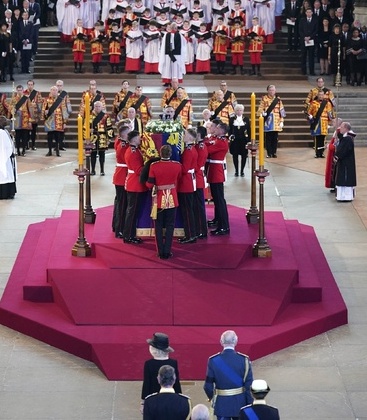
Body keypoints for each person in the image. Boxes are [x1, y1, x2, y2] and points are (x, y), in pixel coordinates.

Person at [204, 330, 253, 419]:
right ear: (236, 341)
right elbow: (249, 385)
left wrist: (213, 398)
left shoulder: (213, 360)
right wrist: (249, 403)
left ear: (221, 342)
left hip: (221, 405)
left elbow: (207, 386)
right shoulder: (244, 360)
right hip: (240, 404)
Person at [146, 145, 182, 259]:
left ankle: (160, 252)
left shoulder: (154, 166)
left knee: (159, 226)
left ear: (160, 154)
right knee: (170, 225)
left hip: (159, 199)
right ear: (170, 154)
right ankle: (167, 251)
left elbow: (150, 184)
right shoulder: (177, 166)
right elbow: (178, 179)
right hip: (172, 197)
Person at [141, 332, 182, 405]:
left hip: (153, 400)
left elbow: (147, 384)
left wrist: (143, 402)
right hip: (171, 398)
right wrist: (179, 397)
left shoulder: (149, 364)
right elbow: (176, 383)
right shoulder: (173, 363)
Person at [123, 129, 147, 244]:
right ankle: (129, 235)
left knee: (133, 211)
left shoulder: (134, 150)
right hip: (135, 185)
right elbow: (139, 170)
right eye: (138, 137)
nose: (140, 139)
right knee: (132, 212)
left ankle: (129, 234)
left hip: (134, 184)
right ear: (133, 140)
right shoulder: (133, 152)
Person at [206, 122, 230, 236]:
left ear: (222, 131)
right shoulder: (218, 139)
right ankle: (217, 219)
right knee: (216, 198)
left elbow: (208, 150)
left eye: (218, 128)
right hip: (213, 170)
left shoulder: (222, 142)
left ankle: (223, 226)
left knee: (219, 200)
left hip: (217, 172)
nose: (215, 129)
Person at [177, 128, 198, 244]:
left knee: (187, 210)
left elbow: (184, 169)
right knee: (188, 210)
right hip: (188, 181)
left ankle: (190, 234)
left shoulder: (189, 151)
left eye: (185, 135)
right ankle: (191, 233)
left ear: (190, 137)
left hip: (186, 183)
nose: (183, 136)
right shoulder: (190, 149)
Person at [112, 120, 131, 239]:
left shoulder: (121, 142)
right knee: (122, 204)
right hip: (122, 176)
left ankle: (117, 225)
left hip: (121, 175)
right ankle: (119, 229)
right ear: (124, 135)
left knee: (120, 202)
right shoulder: (123, 145)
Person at [257, 85, 286, 158]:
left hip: (276, 121)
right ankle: (269, 152)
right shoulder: (264, 99)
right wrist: (262, 113)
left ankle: (274, 152)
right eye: (270, 90)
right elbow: (260, 109)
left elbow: (281, 111)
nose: (272, 91)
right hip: (268, 121)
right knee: (268, 138)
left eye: (273, 90)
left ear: (275, 91)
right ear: (267, 91)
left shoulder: (278, 100)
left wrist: (282, 121)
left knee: (275, 138)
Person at [42, 85, 69, 157]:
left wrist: (65, 122)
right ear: (50, 91)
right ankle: (50, 150)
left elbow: (64, 110)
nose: (54, 92)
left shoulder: (61, 100)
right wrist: (45, 113)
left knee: (58, 137)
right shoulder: (46, 100)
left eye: (55, 90)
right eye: (53, 90)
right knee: (49, 137)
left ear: (58, 91)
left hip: (58, 121)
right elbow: (43, 109)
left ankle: (57, 151)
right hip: (49, 122)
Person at [89, 101, 114, 176]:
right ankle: (93, 170)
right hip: (93, 137)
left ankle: (102, 170)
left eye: (99, 106)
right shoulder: (89, 115)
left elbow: (109, 127)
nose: (97, 108)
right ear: (94, 107)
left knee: (102, 154)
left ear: (102, 107)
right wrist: (89, 130)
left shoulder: (106, 116)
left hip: (103, 137)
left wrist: (109, 138)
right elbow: (85, 125)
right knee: (92, 154)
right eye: (96, 106)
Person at [334, 121, 356, 202]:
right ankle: (342, 196)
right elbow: (341, 140)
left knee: (345, 179)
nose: (340, 128)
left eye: (342, 127)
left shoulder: (348, 139)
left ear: (346, 129)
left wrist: (337, 156)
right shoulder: (346, 137)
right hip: (344, 162)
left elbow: (343, 150)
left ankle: (345, 197)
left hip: (346, 163)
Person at [307, 90, 333, 158]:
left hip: (324, 123)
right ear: (317, 95)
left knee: (323, 139)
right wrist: (310, 117)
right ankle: (317, 153)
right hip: (317, 123)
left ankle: (321, 152)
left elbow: (330, 114)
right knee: (317, 138)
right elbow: (309, 112)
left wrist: (329, 123)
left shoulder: (327, 103)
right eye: (319, 95)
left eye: (322, 95)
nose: (321, 96)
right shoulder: (313, 103)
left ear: (324, 95)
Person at [10, 84, 32, 157]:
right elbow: (10, 108)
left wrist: (30, 120)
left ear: (23, 90)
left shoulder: (26, 98)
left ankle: (24, 150)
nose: (19, 91)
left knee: (25, 137)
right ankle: (18, 150)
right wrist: (13, 110)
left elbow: (30, 110)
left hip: (25, 120)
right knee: (17, 137)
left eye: (21, 90)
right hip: (17, 120)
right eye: (18, 90)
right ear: (17, 90)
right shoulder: (13, 99)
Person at [194, 125, 208, 239]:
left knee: (199, 206)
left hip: (197, 178)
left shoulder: (201, 147)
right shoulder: (198, 145)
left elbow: (198, 165)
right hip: (196, 177)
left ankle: (202, 230)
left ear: (198, 135)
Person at [229, 104, 251, 177]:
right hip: (235, 141)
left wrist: (249, 140)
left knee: (244, 156)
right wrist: (230, 137)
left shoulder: (246, 119)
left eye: (240, 110)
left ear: (243, 111)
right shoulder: (232, 119)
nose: (239, 112)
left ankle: (242, 171)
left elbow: (249, 130)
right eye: (237, 110)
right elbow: (229, 130)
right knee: (235, 156)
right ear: (235, 111)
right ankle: (236, 171)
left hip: (243, 140)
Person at [0, 116, 17, 200]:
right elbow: (4, 146)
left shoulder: (4, 131)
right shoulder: (1, 132)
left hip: (6, 156)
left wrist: (11, 136)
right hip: (4, 157)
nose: (6, 121)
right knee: (4, 174)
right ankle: (5, 194)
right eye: (4, 120)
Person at [23, 79, 42, 151]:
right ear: (27, 85)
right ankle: (26, 144)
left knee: (34, 131)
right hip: (26, 115)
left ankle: (33, 144)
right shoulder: (24, 93)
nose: (30, 86)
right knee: (26, 132)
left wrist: (39, 112)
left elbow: (40, 103)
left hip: (34, 115)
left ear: (33, 85)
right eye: (29, 84)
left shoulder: (37, 93)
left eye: (31, 85)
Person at [298, 8, 318, 75]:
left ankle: (312, 71)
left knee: (311, 56)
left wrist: (310, 37)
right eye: (307, 12)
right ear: (306, 13)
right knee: (303, 56)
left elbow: (316, 30)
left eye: (310, 12)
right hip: (304, 40)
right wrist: (304, 37)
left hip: (312, 40)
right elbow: (300, 30)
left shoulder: (315, 20)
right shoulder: (302, 20)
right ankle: (303, 71)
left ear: (312, 13)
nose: (309, 13)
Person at [325, 117, 342, 192]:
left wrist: (329, 146)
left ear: (338, 123)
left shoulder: (339, 132)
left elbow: (337, 145)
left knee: (335, 170)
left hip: (334, 154)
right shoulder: (336, 131)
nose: (332, 123)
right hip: (332, 153)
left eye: (334, 122)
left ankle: (335, 185)